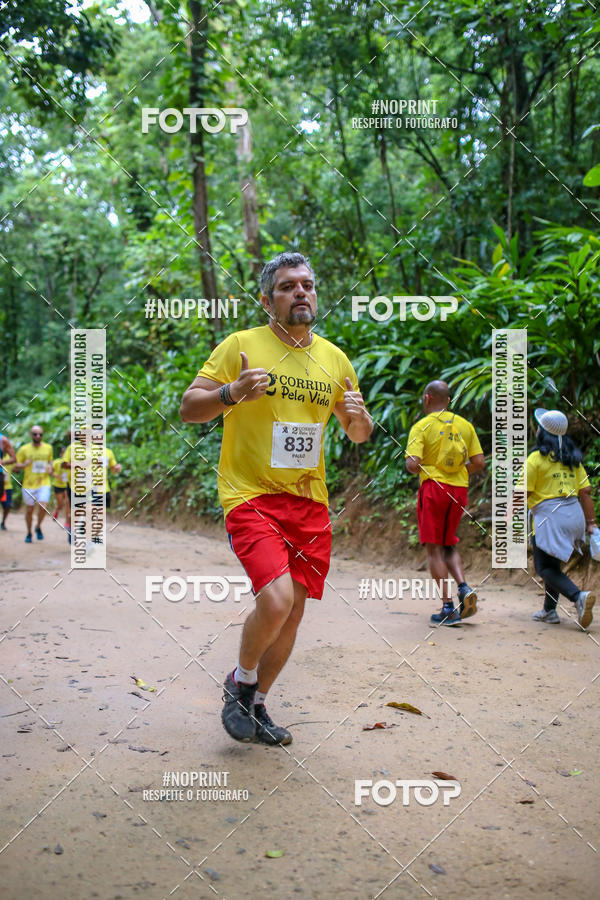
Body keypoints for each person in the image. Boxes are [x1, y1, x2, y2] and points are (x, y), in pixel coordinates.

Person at [180, 251, 373, 746]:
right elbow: (188, 408)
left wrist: (359, 416)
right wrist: (232, 393)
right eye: (288, 287)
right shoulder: (241, 345)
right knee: (277, 598)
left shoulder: (334, 359)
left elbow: (356, 433)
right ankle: (240, 683)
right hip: (250, 494)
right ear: (268, 300)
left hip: (309, 501)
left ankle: (257, 705)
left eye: (307, 284)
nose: (301, 292)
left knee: (294, 611)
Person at [405, 380, 485, 626]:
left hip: (433, 489)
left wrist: (427, 468)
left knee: (433, 549)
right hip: (459, 490)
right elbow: (479, 462)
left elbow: (412, 464)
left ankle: (448, 608)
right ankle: (463, 588)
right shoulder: (464, 425)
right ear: (448, 401)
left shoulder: (422, 426)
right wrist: (458, 473)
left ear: (427, 398)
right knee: (448, 543)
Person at [525, 408, 596, 628]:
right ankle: (549, 611)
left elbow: (523, 493)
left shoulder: (536, 458)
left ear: (541, 432)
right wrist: (591, 523)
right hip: (573, 514)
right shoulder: (572, 459)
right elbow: (585, 492)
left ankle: (578, 597)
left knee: (543, 567)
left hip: (550, 517)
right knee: (552, 563)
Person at [14, 426, 53, 543]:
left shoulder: (48, 448)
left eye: (40, 434)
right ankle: (29, 532)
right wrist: (23, 465)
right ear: (31, 435)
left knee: (43, 506)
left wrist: (50, 468)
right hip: (29, 484)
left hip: (44, 482)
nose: (38, 436)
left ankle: (38, 527)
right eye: (35, 434)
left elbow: (50, 463)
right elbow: (15, 467)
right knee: (29, 510)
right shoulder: (24, 449)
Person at [1, 432, 17, 530]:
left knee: (7, 506)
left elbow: (16, 465)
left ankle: (3, 522)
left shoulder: (9, 458)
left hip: (6, 486)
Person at [51, 443, 70, 529]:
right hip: (58, 485)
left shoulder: (71, 463)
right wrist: (56, 476)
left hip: (67, 485)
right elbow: (50, 472)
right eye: (63, 453)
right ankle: (56, 510)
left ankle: (67, 522)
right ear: (61, 454)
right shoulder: (56, 462)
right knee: (60, 504)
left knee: (67, 502)